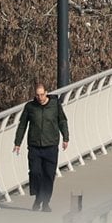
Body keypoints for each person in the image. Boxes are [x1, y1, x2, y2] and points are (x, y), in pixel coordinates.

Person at [12, 83, 69, 213]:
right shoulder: (30, 107)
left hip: (51, 146)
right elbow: (22, 125)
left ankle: (45, 203)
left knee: (49, 175)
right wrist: (17, 142)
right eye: (37, 95)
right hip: (35, 146)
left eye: (42, 94)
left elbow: (62, 121)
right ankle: (38, 198)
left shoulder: (55, 105)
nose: (40, 97)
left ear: (46, 93)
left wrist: (66, 137)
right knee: (35, 173)